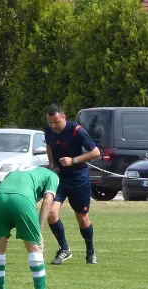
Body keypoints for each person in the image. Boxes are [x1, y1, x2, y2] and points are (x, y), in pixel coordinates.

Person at [0, 166, 59, 289]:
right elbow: (47, 201)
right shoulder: (53, 176)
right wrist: (39, 231)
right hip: (22, 199)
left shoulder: (16, 171)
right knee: (34, 247)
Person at [44, 104, 100, 265]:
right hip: (59, 178)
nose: (53, 126)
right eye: (50, 123)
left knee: (82, 217)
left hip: (78, 178)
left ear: (63, 117)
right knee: (51, 213)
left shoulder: (77, 131)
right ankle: (64, 249)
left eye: (56, 122)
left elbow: (95, 152)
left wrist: (73, 160)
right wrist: (52, 164)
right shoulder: (48, 131)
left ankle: (90, 251)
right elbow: (49, 145)